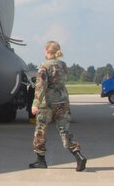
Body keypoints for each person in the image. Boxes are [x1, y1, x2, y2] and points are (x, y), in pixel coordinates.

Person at [29, 41, 87, 171]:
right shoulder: (63, 65)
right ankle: (78, 155)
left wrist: (35, 104)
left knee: (40, 131)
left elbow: (40, 86)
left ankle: (40, 160)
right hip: (62, 102)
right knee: (64, 130)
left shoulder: (44, 66)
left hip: (47, 104)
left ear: (47, 51)